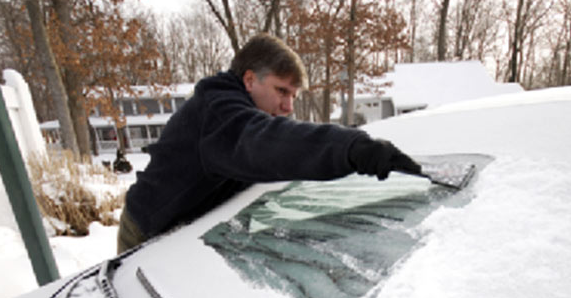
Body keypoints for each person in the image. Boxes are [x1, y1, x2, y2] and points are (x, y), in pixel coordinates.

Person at [117, 33, 420, 253]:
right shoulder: (220, 113)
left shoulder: (233, 111)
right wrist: (351, 148)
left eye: (293, 96)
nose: (288, 106)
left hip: (186, 229)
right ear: (250, 80)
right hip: (148, 232)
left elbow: (283, 152)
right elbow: (268, 142)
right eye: (282, 91)